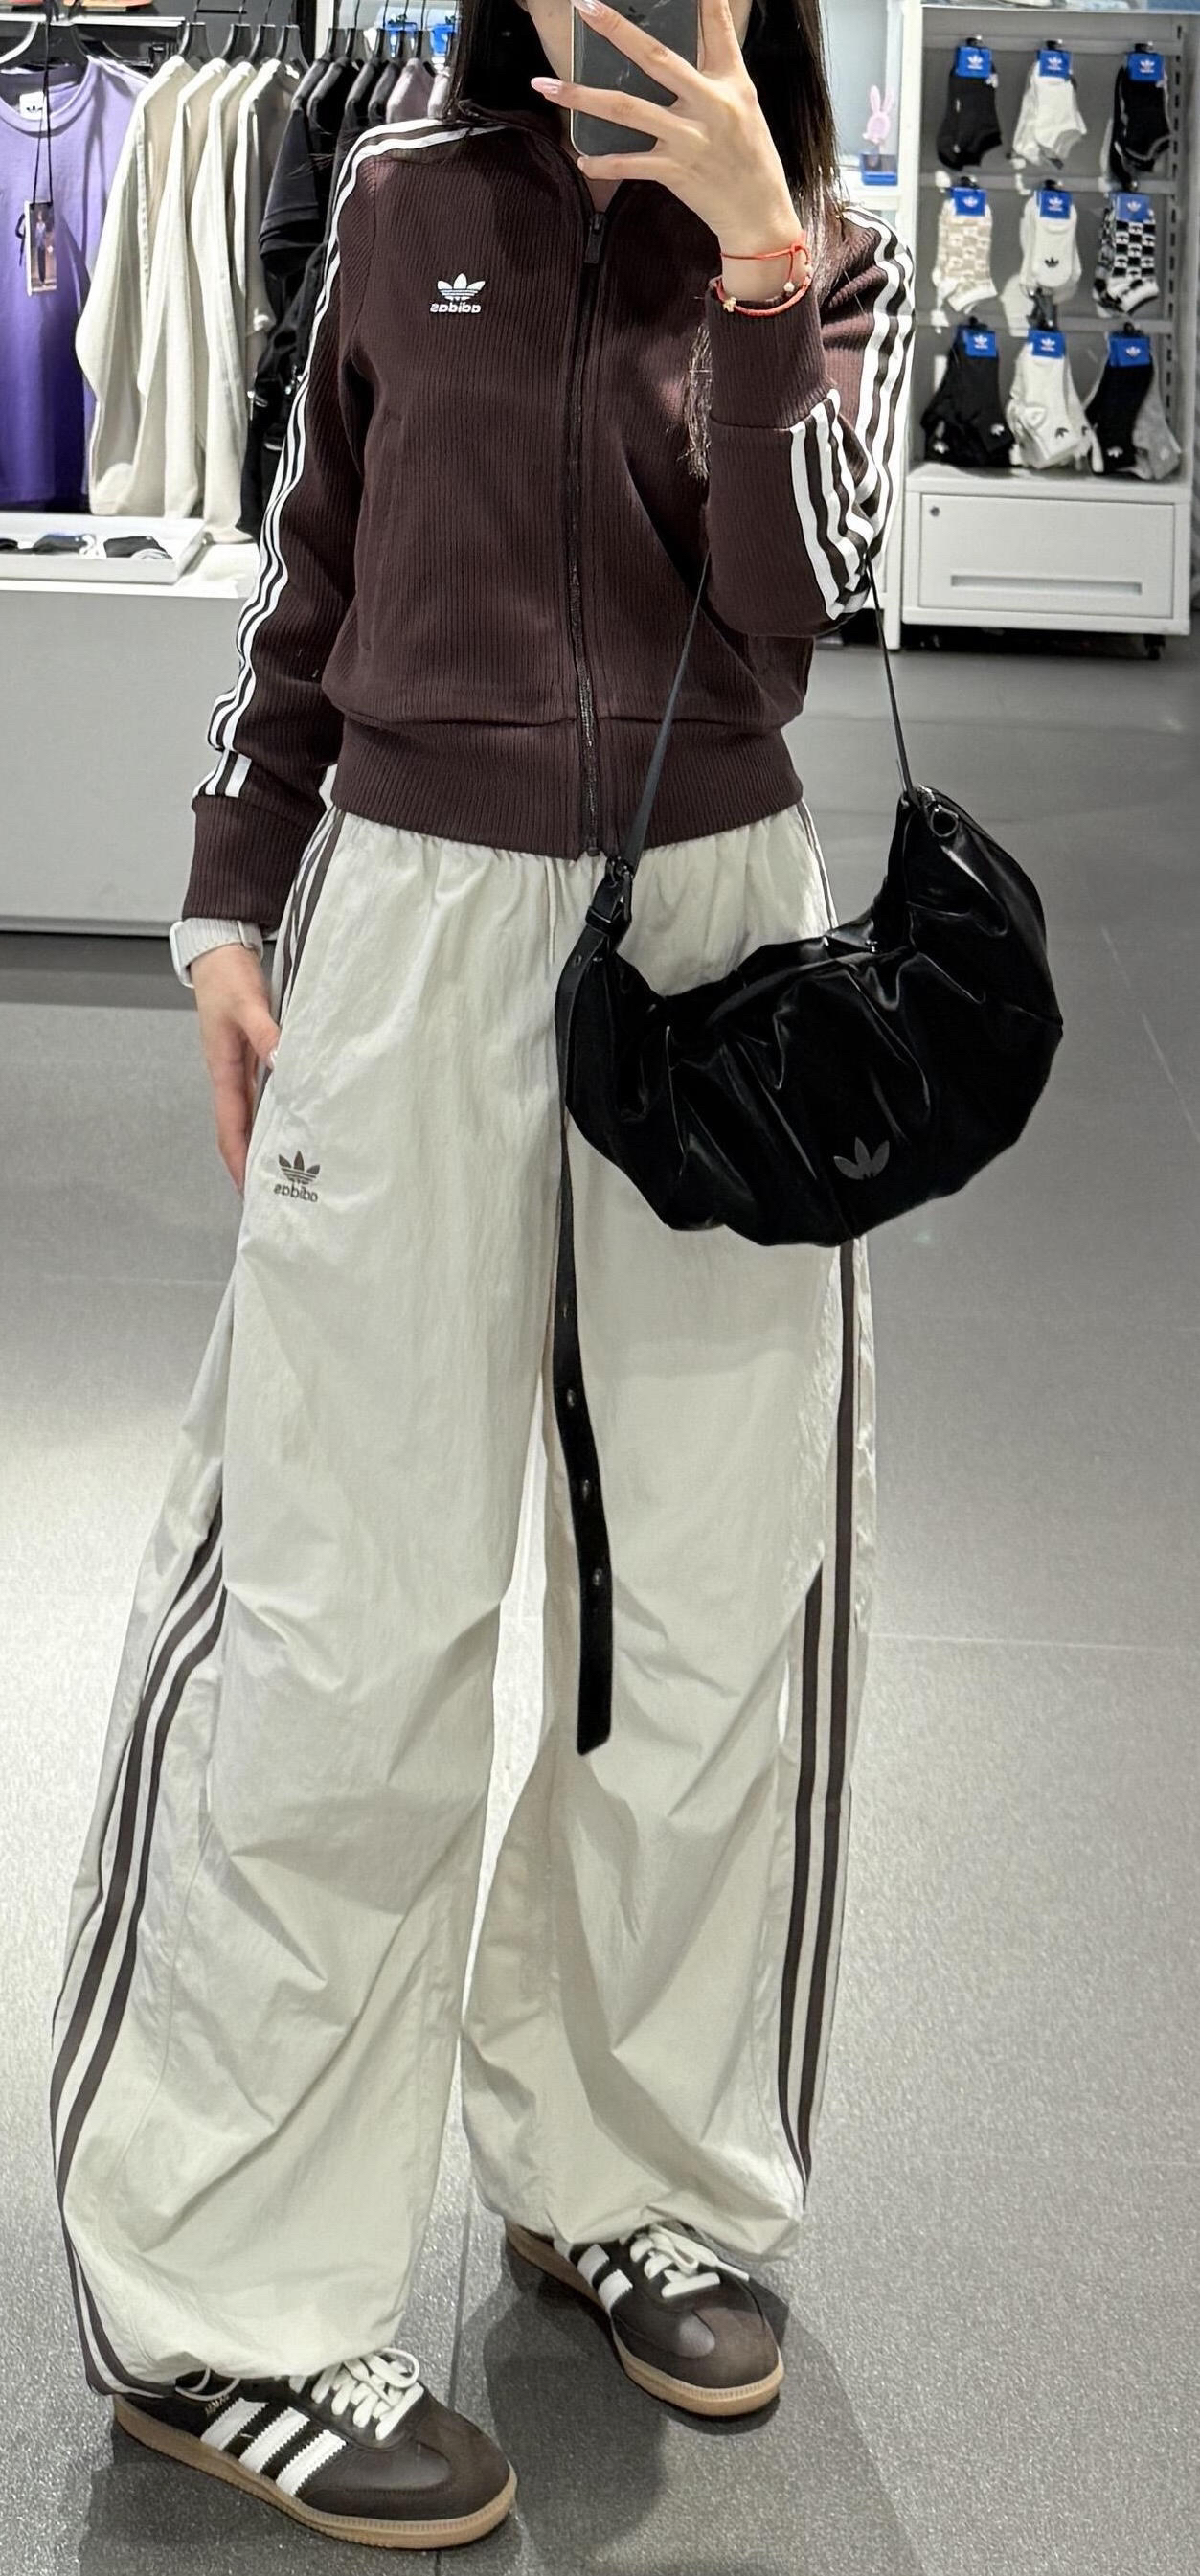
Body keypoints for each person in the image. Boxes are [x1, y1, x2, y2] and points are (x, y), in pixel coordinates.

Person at [50, 0, 913, 2550]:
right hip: (411, 928)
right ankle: (226, 2296)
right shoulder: (398, 183)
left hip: (718, 938)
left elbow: (804, 615)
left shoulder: (818, 230)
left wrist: (757, 273)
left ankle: (626, 2168)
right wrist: (228, 888)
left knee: (706, 1605)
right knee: (342, 1599)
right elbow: (303, 566)